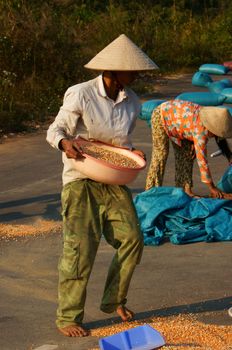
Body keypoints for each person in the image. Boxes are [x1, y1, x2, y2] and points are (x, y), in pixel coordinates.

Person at [46, 34, 158, 337]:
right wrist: (65, 143)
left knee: (132, 237)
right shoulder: (81, 94)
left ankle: (114, 300)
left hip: (112, 179)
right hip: (81, 178)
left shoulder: (132, 102)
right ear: (112, 70)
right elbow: (55, 130)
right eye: (131, 71)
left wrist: (133, 152)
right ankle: (68, 317)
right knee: (80, 248)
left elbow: (120, 145)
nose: (135, 76)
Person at [145, 99, 232, 198]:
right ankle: (151, 191)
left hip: (180, 122)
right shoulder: (201, 131)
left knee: (187, 155)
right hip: (162, 115)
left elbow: (220, 138)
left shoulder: (211, 120)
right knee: (161, 154)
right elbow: (202, 161)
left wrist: (229, 156)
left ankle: (183, 190)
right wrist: (212, 188)